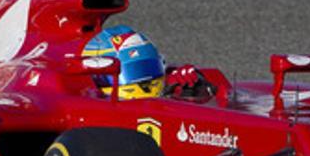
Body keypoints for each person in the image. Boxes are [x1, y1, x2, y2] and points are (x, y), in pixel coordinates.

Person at [81, 25, 214, 100]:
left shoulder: (169, 87)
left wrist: (194, 90)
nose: (144, 79)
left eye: (147, 67)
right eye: (133, 70)